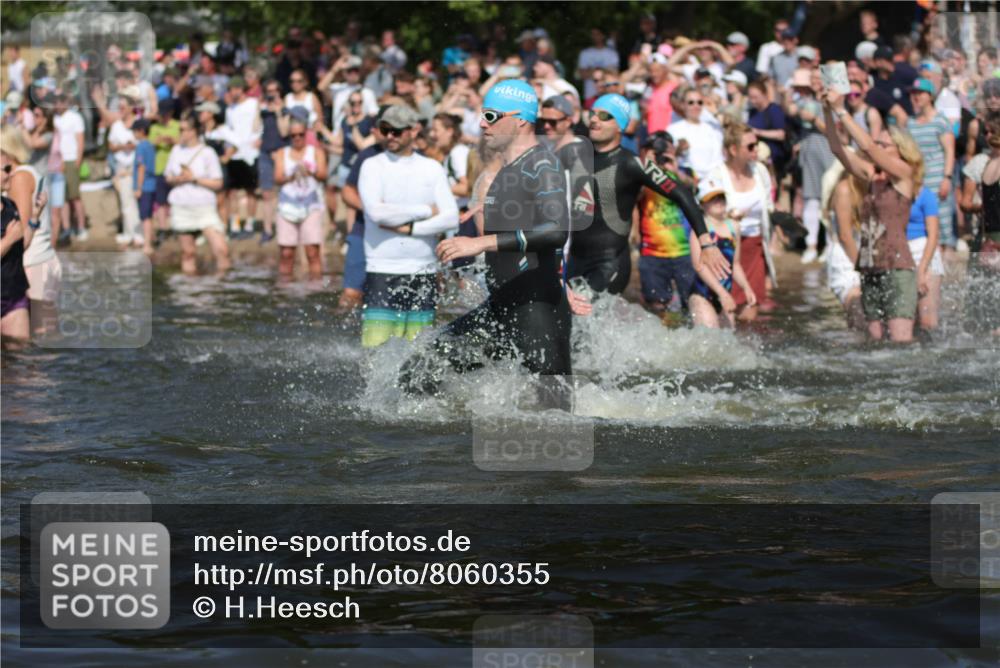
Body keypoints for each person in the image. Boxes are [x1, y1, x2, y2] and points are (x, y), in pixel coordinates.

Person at [398, 80, 572, 409]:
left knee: (556, 422)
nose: (481, 124)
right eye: (482, 114)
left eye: (491, 115)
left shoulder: (543, 164)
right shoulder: (508, 170)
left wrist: (479, 243)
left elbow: (556, 231)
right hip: (501, 308)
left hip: (537, 310)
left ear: (520, 119)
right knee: (417, 374)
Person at [568, 93, 726, 297]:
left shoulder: (633, 163)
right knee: (567, 325)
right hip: (575, 260)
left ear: (620, 126)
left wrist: (706, 243)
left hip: (609, 263)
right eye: (592, 114)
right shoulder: (575, 156)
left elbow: (682, 194)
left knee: (584, 316)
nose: (595, 120)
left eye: (605, 116)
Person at [823, 86, 921, 343]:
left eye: (884, 145)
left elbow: (866, 144)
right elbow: (837, 149)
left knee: (900, 342)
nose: (876, 146)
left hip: (898, 267)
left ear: (899, 151)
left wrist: (841, 109)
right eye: (878, 143)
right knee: (875, 345)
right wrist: (827, 110)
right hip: (870, 269)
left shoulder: (904, 175)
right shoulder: (871, 176)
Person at [357, 104, 459, 347]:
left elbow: (451, 217)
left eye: (396, 130)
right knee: (376, 350)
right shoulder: (372, 165)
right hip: (383, 268)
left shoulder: (431, 168)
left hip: (422, 270)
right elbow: (376, 213)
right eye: (385, 129)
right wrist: (424, 210)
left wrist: (411, 229)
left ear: (414, 131)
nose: (390, 136)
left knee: (419, 353)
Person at [708, 123, 776, 322]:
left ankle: (749, 349)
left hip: (754, 246)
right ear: (733, 149)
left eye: (756, 145)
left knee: (750, 306)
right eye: (750, 146)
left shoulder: (760, 170)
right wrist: (727, 217)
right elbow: (705, 212)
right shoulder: (717, 175)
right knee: (727, 309)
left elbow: (769, 205)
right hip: (725, 248)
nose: (756, 150)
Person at [1, 125, 61, 337]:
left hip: (32, 263)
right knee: (46, 336)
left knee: (42, 338)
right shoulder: (28, 172)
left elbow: (19, 229)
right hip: (39, 260)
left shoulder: (19, 177)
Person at [163, 114, 231, 275]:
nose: (180, 133)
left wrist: (194, 178)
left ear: (194, 131)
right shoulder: (176, 150)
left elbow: (218, 183)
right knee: (188, 253)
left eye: (184, 130)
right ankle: (189, 293)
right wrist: (178, 178)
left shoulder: (207, 152)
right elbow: (168, 178)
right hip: (182, 206)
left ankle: (222, 286)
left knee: (221, 250)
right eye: (180, 129)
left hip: (204, 207)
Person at [636, 132, 696, 313]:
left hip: (684, 251)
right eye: (655, 150)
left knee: (691, 304)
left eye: (665, 148)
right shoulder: (642, 174)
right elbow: (635, 196)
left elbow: (693, 191)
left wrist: (674, 169)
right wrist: (650, 167)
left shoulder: (683, 172)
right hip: (652, 252)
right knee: (656, 307)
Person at [688, 177, 755, 329]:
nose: (718, 201)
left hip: (725, 294)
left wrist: (746, 287)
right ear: (703, 204)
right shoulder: (699, 230)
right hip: (703, 294)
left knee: (727, 341)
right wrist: (722, 293)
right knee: (709, 338)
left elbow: (735, 264)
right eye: (713, 199)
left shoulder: (734, 227)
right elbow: (698, 266)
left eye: (721, 197)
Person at [790, 69, 836, 264]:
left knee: (831, 199)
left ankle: (831, 244)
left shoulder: (833, 101)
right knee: (811, 198)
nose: (815, 82)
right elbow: (791, 111)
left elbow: (836, 131)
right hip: (809, 149)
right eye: (813, 78)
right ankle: (811, 245)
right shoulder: (806, 100)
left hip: (828, 149)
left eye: (818, 78)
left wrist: (814, 120)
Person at [907, 77, 956, 256]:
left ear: (930, 96)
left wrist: (947, 177)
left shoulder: (941, 121)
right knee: (923, 225)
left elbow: (949, 151)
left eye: (919, 93)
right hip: (918, 182)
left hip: (938, 180)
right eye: (913, 93)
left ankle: (945, 273)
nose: (915, 97)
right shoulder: (910, 122)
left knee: (942, 228)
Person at [274, 118, 327, 281]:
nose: (297, 138)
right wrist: (291, 176)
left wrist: (309, 172)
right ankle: (285, 288)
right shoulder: (282, 153)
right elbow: (277, 178)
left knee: (312, 251)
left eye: (300, 135)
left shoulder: (316, 152)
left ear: (306, 135)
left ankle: (315, 287)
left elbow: (323, 175)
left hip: (310, 206)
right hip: (287, 207)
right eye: (293, 135)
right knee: (286, 253)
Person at [222, 76, 261, 237]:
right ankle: (236, 225)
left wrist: (256, 140)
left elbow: (258, 126)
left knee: (250, 190)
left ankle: (250, 225)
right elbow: (228, 131)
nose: (232, 92)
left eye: (234, 89)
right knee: (232, 192)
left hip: (250, 154)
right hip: (234, 154)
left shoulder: (253, 104)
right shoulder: (229, 109)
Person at [906, 185, 943, 331]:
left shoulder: (926, 195)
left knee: (928, 322)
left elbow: (933, 235)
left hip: (925, 253)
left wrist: (921, 269)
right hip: (902, 255)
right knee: (909, 322)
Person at [667, 88, 724, 181]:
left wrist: (715, 112)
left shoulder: (713, 127)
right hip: (688, 179)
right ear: (683, 105)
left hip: (714, 180)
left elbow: (719, 157)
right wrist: (678, 150)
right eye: (691, 102)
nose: (696, 106)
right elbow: (668, 158)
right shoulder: (673, 129)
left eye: (700, 102)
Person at [258, 79, 289, 244]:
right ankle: (267, 229)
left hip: (280, 152)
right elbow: (255, 128)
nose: (271, 94)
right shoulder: (263, 110)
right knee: (266, 193)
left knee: (282, 191)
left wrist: (278, 111)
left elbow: (284, 132)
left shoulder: (285, 109)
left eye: (274, 91)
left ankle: (283, 226)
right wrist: (259, 108)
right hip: (265, 152)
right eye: (268, 91)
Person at [52, 92, 86, 241]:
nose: (58, 104)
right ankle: (66, 228)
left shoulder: (75, 117)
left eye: (61, 101)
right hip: (58, 162)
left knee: (75, 197)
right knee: (62, 198)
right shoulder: (54, 118)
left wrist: (78, 160)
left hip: (72, 159)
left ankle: (81, 227)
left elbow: (80, 140)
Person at [149, 99, 180, 241]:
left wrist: (172, 141)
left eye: (165, 114)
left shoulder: (178, 126)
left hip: (175, 170)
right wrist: (158, 140)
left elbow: (183, 142)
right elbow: (150, 145)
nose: (163, 117)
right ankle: (162, 229)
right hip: (160, 168)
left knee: (175, 200)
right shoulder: (155, 128)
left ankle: (176, 227)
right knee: (160, 201)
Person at [1, 189, 29, 344]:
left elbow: (21, 246)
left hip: (13, 294)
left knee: (21, 357)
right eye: (6, 169)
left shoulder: (10, 205)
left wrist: (34, 221)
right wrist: (9, 239)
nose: (11, 174)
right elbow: (13, 239)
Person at [747, 80, 788, 184]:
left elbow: (781, 134)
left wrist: (758, 132)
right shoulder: (752, 112)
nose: (753, 101)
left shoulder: (774, 110)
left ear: (765, 94)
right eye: (750, 97)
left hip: (773, 160)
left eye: (756, 97)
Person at [131, 119, 157, 255]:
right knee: (149, 216)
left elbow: (141, 167)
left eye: (134, 131)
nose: (133, 134)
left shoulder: (141, 146)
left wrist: (138, 188)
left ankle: (147, 244)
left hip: (145, 186)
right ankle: (150, 239)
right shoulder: (151, 145)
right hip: (152, 184)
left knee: (145, 216)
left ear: (141, 131)